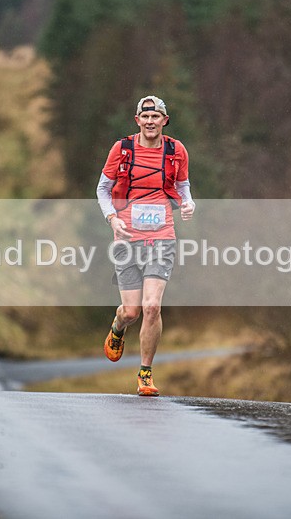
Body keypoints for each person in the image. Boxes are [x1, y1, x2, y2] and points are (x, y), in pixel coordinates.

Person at [96, 95, 195, 396]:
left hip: (162, 236)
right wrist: (112, 219)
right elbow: (102, 188)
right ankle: (118, 326)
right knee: (132, 311)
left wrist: (189, 203)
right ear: (137, 120)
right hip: (126, 237)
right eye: (145, 117)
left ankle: (145, 373)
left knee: (152, 307)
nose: (150, 122)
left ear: (165, 120)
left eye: (157, 117)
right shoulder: (122, 149)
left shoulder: (176, 151)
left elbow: (182, 186)